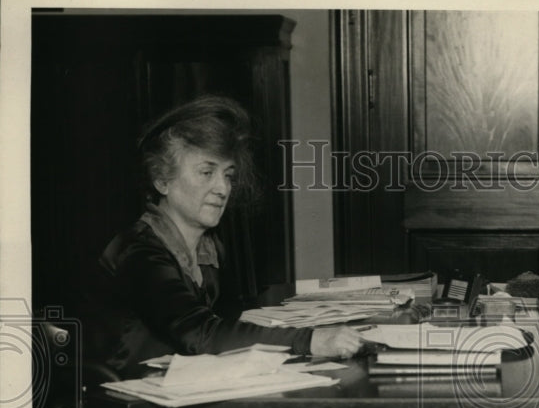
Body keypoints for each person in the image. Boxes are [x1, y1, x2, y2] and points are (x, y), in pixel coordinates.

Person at [90, 95, 365, 377]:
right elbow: (201, 333)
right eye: (206, 172)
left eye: (228, 175)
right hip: (126, 406)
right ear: (162, 180)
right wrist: (309, 340)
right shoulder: (139, 252)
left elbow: (224, 324)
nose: (222, 188)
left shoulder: (208, 249)